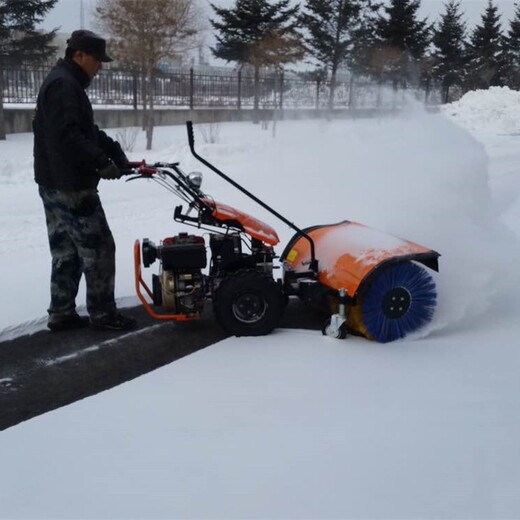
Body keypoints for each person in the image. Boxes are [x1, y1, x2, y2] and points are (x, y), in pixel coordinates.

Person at [33, 29, 137, 332]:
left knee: (66, 249)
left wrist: (112, 150)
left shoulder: (63, 82)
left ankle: (62, 312)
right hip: (72, 185)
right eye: (97, 59)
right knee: (100, 248)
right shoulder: (64, 85)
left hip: (54, 181)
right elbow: (68, 135)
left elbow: (83, 130)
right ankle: (103, 314)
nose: (100, 66)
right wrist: (99, 161)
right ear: (78, 55)